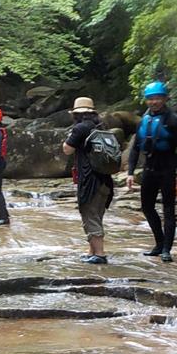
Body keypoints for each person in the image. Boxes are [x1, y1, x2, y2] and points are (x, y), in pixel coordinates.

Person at [126, 81, 177, 262]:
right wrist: (130, 172)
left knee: (168, 209)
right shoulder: (143, 120)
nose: (154, 102)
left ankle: (167, 249)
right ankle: (159, 243)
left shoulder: (174, 120)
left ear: (165, 98)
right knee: (147, 207)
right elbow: (135, 148)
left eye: (158, 98)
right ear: (146, 101)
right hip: (149, 169)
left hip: (168, 169)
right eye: (151, 99)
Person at [62, 96, 113, 264]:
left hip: (90, 180)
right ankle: (92, 250)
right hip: (105, 179)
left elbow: (67, 150)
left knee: (89, 214)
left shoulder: (80, 128)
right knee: (97, 214)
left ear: (76, 114)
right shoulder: (101, 126)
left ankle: (99, 254)